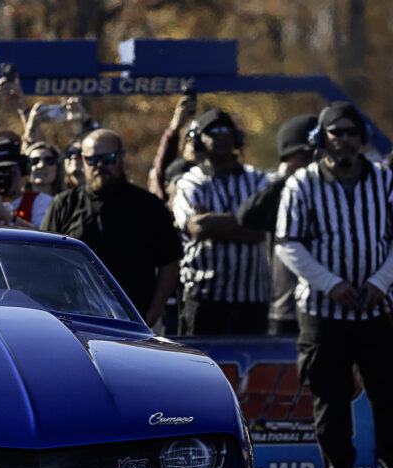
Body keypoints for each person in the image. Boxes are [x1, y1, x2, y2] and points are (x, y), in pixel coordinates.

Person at [275, 101, 393, 468]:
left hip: (376, 308)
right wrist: (330, 284)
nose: (345, 139)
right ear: (322, 138)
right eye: (337, 132)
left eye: (352, 132)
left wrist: (381, 281)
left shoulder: (383, 180)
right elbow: (287, 244)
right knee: (329, 402)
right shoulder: (302, 184)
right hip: (322, 311)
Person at [42, 129, 181, 328]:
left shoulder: (149, 206)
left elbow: (169, 262)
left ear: (122, 156)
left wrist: (154, 312)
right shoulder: (64, 205)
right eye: (92, 160)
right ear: (83, 160)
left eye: (108, 158)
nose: (100, 165)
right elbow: (44, 264)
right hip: (77, 322)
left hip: (136, 323)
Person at [172, 109, 270, 335]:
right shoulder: (190, 181)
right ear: (198, 140)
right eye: (213, 131)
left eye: (227, 130)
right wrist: (246, 221)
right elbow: (197, 227)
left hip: (252, 299)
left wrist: (214, 223)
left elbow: (265, 228)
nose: (222, 136)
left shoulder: (257, 178)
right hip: (204, 299)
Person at [237, 114, 318, 335]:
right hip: (286, 306)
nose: (311, 165)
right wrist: (283, 179)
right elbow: (247, 218)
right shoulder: (280, 191)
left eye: (315, 157)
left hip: (327, 306)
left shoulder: (332, 188)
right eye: (303, 157)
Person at [150, 92, 198, 201]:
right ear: (182, 149)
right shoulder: (176, 171)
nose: (196, 146)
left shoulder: (212, 181)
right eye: (191, 141)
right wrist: (175, 127)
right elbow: (162, 171)